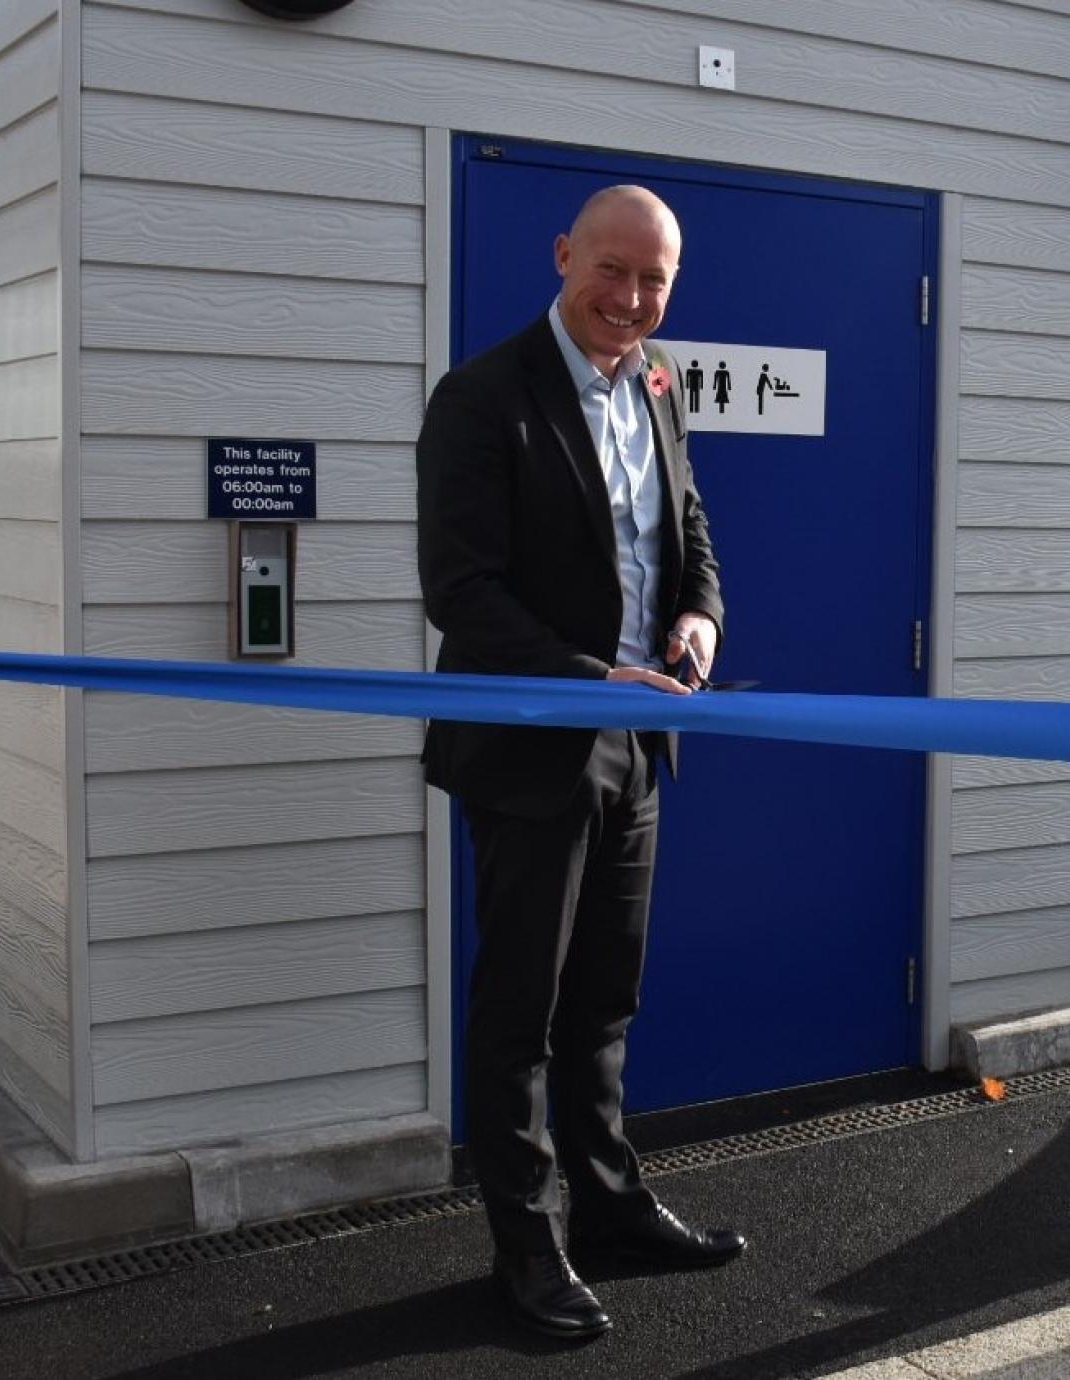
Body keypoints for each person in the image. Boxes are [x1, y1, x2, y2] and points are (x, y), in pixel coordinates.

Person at [416, 185, 743, 1341]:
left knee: (605, 998)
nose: (632, 299)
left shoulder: (655, 382)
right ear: (562, 257)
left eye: (654, 280)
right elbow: (459, 593)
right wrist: (581, 672)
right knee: (521, 1009)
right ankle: (525, 1243)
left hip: (639, 741)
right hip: (529, 747)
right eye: (611, 271)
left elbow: (688, 529)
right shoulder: (479, 398)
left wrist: (698, 618)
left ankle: (606, 1205)